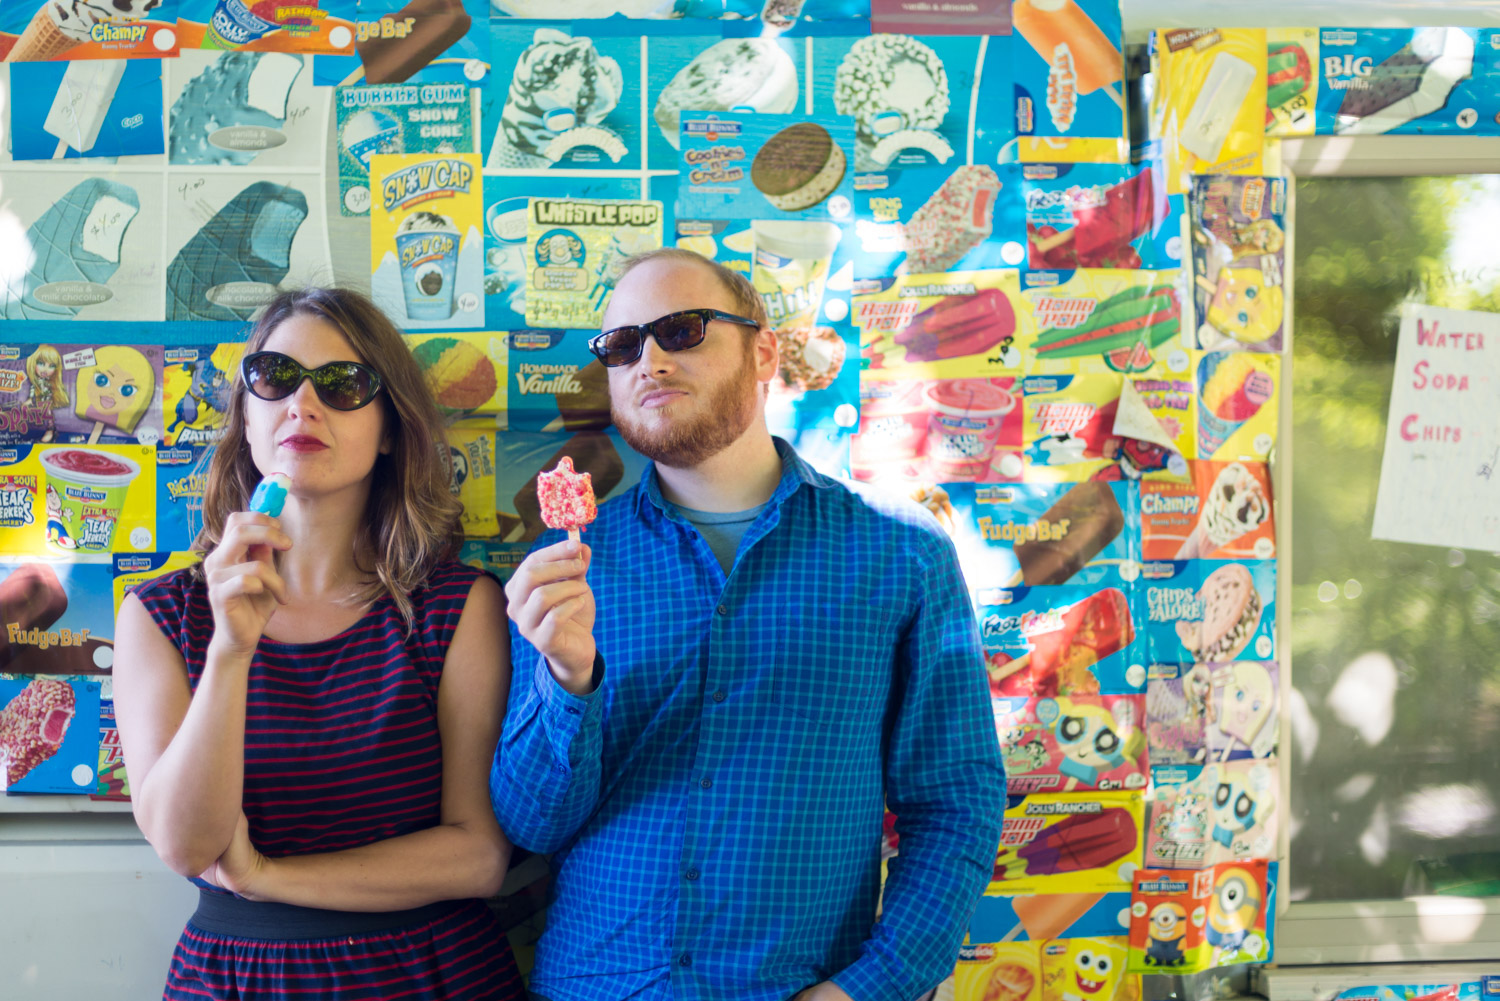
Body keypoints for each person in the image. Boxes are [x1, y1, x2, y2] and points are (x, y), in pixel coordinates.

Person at [491, 248, 1006, 1001]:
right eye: (623, 345)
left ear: (763, 350)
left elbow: (955, 801)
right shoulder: (562, 568)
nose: (651, 359)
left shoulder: (902, 551)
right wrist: (569, 681)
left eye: (683, 329)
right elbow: (532, 824)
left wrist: (868, 987)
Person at [114, 287, 523, 1001]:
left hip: (432, 975)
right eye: (274, 376)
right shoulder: (160, 614)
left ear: (390, 428)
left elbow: (479, 856)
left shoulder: (458, 609)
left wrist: (268, 878)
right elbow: (184, 844)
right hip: (238, 978)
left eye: (343, 384)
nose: (303, 404)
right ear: (246, 415)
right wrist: (230, 652)